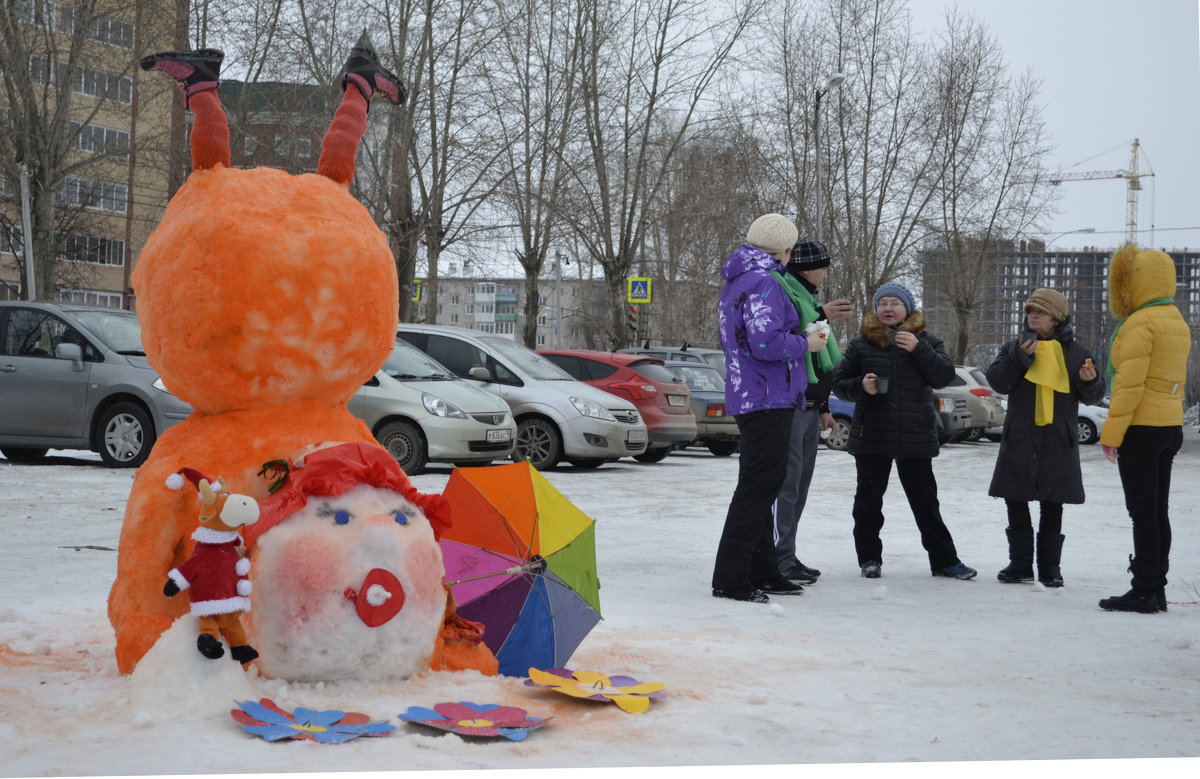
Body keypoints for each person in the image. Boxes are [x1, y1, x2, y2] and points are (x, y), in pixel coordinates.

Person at [711, 214, 827, 603]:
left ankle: (763, 571)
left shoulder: (739, 279)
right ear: (783, 249)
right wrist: (805, 344)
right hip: (767, 396)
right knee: (757, 488)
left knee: (763, 485)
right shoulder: (765, 282)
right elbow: (765, 343)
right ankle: (731, 577)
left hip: (753, 394)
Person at [831, 282, 976, 580]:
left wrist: (919, 349)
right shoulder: (861, 344)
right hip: (872, 435)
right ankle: (869, 559)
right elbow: (840, 384)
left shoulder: (928, 341)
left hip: (916, 435)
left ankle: (945, 561)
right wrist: (862, 386)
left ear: (907, 309)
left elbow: (944, 375)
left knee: (926, 503)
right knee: (868, 504)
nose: (887, 308)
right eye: (882, 303)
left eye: (894, 303)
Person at [985, 288, 1106, 587]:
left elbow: (1093, 396)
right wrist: (1018, 358)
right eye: (1030, 311)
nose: (1032, 316)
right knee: (1015, 499)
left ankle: (1050, 568)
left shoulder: (1078, 353)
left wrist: (1091, 382)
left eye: (1040, 311)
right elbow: (997, 381)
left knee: (1053, 503)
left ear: (1057, 318)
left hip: (1057, 440)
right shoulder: (1017, 346)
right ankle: (1020, 564)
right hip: (1020, 437)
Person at [1097, 246, 1191, 613]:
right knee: (1158, 510)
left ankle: (1144, 590)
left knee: (1143, 512)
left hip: (1141, 427)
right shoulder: (1175, 319)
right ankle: (1157, 588)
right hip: (1169, 425)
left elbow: (1129, 385)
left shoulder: (1140, 323)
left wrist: (1111, 434)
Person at [771, 238, 853, 584]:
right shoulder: (786, 292)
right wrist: (823, 316)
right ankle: (777, 557)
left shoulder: (807, 297)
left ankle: (787, 553)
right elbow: (790, 338)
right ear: (808, 268)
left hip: (808, 406)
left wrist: (822, 407)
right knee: (786, 486)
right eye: (822, 266)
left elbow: (817, 359)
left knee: (799, 486)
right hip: (789, 406)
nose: (824, 273)